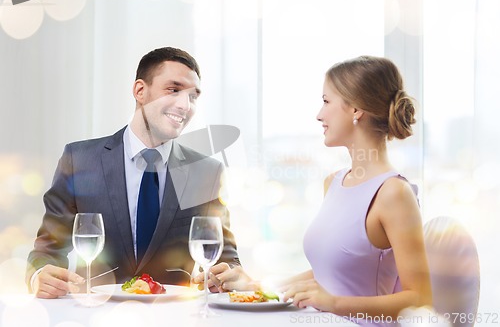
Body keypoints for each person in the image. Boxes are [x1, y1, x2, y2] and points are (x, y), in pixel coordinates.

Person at [195, 56, 432, 325]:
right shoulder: (333, 182)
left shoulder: (393, 193)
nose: (319, 114)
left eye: (327, 101)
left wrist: (335, 303)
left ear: (356, 109)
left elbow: (419, 299)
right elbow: (330, 274)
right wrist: (254, 285)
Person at [26, 47, 240, 299]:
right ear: (140, 91)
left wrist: (227, 276)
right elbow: (47, 251)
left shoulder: (207, 172)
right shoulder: (79, 160)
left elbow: (227, 260)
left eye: (193, 96)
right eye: (173, 90)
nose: (185, 105)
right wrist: (38, 277)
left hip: (173, 317)